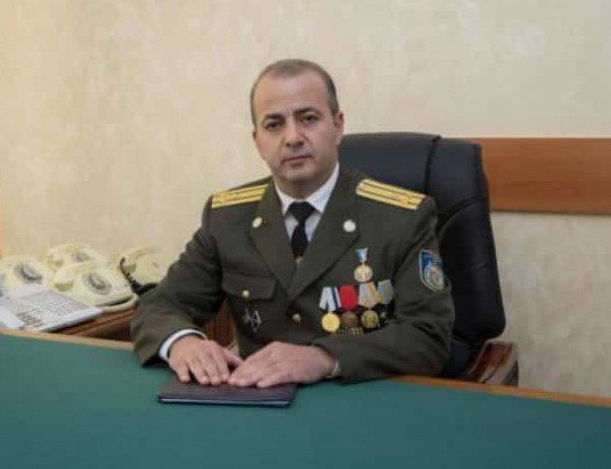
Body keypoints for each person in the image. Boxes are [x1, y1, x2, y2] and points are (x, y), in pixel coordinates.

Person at [131, 59, 454, 387]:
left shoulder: (401, 218)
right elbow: (159, 306)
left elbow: (428, 335)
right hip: (257, 399)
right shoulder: (227, 217)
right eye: (274, 125)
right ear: (257, 141)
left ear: (338, 125)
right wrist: (183, 342)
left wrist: (324, 357)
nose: (292, 137)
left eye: (308, 118)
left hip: (359, 396)